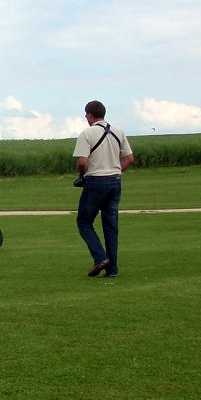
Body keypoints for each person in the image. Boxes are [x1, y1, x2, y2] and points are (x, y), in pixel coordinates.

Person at [73, 100, 134, 278]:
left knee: (84, 222)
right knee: (111, 226)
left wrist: (82, 176)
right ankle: (112, 270)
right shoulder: (118, 132)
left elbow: (82, 161)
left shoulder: (87, 133)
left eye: (86, 115)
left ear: (90, 115)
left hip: (95, 182)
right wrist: (116, 171)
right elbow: (129, 158)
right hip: (115, 181)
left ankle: (100, 257)